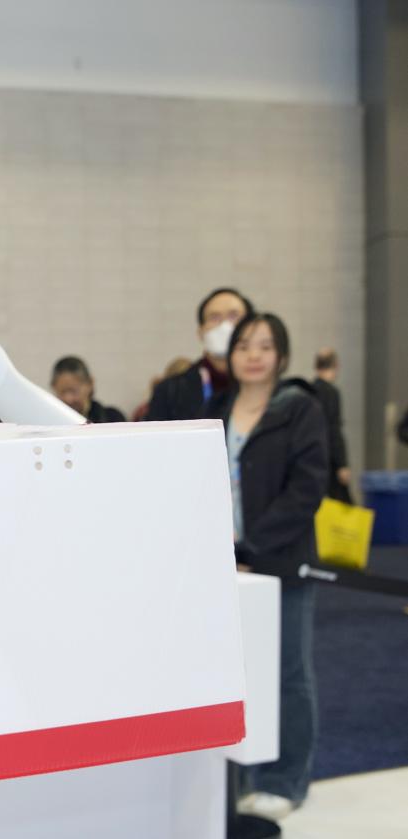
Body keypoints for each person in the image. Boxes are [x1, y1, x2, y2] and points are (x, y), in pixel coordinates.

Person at [204, 313, 327, 821]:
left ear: (282, 355)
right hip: (223, 566)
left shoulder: (299, 409)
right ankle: (235, 780)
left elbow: (307, 489)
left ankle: (285, 780)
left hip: (280, 563)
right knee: (230, 677)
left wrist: (252, 546)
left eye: (265, 345)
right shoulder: (218, 408)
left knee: (287, 673)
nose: (253, 355)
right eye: (244, 345)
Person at [145, 288, 254, 421]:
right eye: (215, 318)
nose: (225, 326)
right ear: (200, 332)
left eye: (234, 316)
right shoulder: (170, 391)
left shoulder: (267, 388)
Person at [310, 349, 351, 503]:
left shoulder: (308, 390)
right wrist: (342, 464)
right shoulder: (331, 393)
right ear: (336, 365)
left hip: (312, 457)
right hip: (329, 459)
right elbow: (334, 429)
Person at [50, 356, 126, 423]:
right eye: (62, 392)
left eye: (74, 391)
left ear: (90, 383)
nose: (68, 399)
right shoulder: (49, 421)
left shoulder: (112, 418)